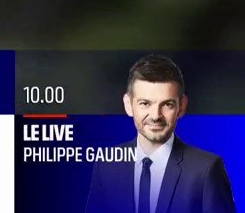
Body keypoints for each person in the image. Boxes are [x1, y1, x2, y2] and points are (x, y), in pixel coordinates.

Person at [86, 54, 236, 213]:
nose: (155, 115)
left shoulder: (206, 170)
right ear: (128, 105)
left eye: (167, 104)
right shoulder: (107, 166)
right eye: (145, 103)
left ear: (182, 106)